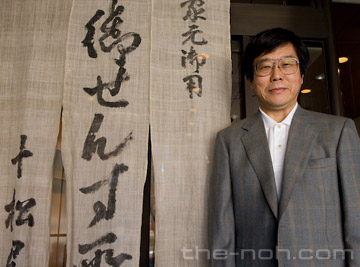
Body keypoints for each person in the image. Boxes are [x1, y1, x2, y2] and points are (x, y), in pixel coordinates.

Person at [208, 27, 360, 267]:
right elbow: (222, 231)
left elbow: (356, 220)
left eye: (287, 64)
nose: (276, 75)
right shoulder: (229, 141)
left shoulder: (338, 132)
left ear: (301, 75)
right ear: (251, 80)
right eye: (265, 66)